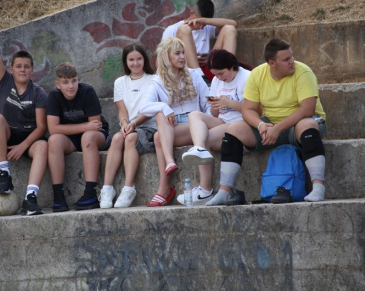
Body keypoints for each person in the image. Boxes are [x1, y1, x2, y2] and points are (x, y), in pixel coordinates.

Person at [207, 39, 327, 206]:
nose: (292, 61)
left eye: (291, 57)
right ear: (272, 63)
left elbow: (307, 109)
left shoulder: (303, 72)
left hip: (301, 123)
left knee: (306, 125)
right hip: (270, 124)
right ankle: (225, 191)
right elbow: (248, 110)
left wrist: (278, 128)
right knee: (234, 129)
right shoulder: (257, 74)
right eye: (286, 60)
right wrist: (260, 125)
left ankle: (318, 187)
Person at [0, 4, 49, 216]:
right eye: (18, 66)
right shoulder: (4, 81)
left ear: (32, 70)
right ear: (11, 69)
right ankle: (4, 174)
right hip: (6, 135)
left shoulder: (38, 93)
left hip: (28, 139)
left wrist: (22, 147)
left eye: (27, 67)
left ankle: (30, 197)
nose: (22, 70)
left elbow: (41, 127)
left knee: (43, 147)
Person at [140, 37, 210, 207]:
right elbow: (143, 108)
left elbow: (207, 103)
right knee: (159, 116)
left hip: (194, 124)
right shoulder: (158, 81)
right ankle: (170, 162)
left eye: (183, 53)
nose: (182, 57)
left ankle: (163, 188)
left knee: (158, 137)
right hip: (173, 126)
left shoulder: (194, 74)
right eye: (177, 53)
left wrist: (207, 123)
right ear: (166, 57)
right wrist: (164, 107)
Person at [177, 50, 251, 205]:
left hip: (240, 124)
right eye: (215, 75)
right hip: (223, 120)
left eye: (221, 73)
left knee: (207, 138)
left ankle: (205, 190)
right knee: (194, 115)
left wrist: (230, 103)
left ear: (232, 66)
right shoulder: (217, 81)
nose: (219, 78)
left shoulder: (247, 77)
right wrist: (215, 105)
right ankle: (199, 148)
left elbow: (256, 110)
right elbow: (214, 114)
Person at [46, 62, 112, 211]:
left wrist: (86, 128)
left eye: (74, 81)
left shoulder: (87, 92)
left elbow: (95, 125)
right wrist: (84, 127)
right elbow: (53, 129)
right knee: (54, 140)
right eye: (65, 82)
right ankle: (59, 196)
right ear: (58, 84)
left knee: (87, 137)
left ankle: (91, 193)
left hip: (97, 135)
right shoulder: (54, 96)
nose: (71, 86)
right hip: (73, 137)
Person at [99, 43, 157, 209]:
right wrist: (125, 123)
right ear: (126, 62)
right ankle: (107, 188)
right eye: (131, 60)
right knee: (117, 138)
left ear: (144, 60)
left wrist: (134, 124)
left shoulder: (153, 79)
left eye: (139, 59)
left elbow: (152, 109)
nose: (136, 63)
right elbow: (121, 110)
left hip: (148, 126)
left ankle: (129, 188)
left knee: (130, 137)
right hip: (130, 126)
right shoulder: (120, 82)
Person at [162, 0, 237, 84]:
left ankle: (228, 71)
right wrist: (185, 59)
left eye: (204, 24)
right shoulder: (172, 29)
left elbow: (233, 24)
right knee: (184, 29)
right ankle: (200, 78)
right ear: (191, 13)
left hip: (210, 68)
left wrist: (204, 20)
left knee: (230, 29)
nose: (202, 27)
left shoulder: (207, 27)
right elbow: (160, 61)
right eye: (199, 23)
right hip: (188, 70)